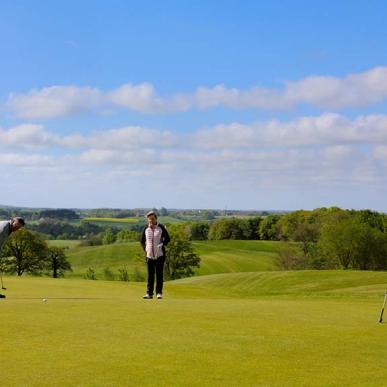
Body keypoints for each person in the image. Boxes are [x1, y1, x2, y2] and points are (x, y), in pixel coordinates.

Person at [140, 211, 170, 299]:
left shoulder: (160, 228)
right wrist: (145, 249)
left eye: (152, 219)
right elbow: (142, 241)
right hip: (149, 255)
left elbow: (168, 239)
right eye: (149, 219)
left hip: (160, 255)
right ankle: (149, 293)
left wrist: (162, 243)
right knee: (150, 275)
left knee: (159, 274)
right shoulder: (146, 228)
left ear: (156, 219)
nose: (151, 221)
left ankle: (159, 293)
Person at [0, 217, 25, 298]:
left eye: (19, 227)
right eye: (16, 225)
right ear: (12, 221)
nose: (16, 228)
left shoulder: (9, 228)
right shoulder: (4, 229)